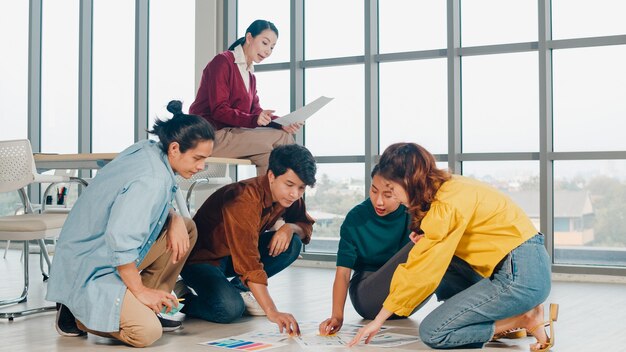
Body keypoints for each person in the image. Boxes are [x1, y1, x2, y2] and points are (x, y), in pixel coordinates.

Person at [349, 143, 557, 352]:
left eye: (392, 190)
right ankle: (512, 315)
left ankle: (522, 319)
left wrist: (378, 320)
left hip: (521, 278)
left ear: (407, 181)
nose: (393, 197)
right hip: (524, 265)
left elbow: (420, 270)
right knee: (443, 261)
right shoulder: (451, 186)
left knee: (433, 332)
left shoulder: (446, 205)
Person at [46, 101, 215, 348]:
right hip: (92, 267)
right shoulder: (153, 179)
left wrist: (174, 217)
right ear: (175, 148)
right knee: (146, 332)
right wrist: (140, 290)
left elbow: (130, 201)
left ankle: (148, 305)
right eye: (198, 158)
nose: (201, 166)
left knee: (186, 228)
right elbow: (120, 238)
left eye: (205, 159)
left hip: (93, 255)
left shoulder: (150, 150)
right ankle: (79, 313)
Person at [176, 144, 316, 335]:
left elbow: (305, 225)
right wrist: (271, 311)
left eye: (301, 188)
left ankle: (238, 290)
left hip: (232, 256)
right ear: (271, 175)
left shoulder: (289, 197)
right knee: (229, 309)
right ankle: (184, 296)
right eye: (289, 185)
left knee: (293, 244)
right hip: (201, 261)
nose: (295, 193)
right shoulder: (244, 198)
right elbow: (248, 261)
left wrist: (289, 227)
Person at [319, 165, 422, 336]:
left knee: (440, 243)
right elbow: (343, 273)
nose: (379, 201)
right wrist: (337, 316)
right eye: (374, 191)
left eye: (388, 195)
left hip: (406, 298)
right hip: (368, 295)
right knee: (427, 241)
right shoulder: (355, 218)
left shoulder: (413, 213)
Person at [189, 19, 301, 175]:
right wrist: (255, 120)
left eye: (272, 47)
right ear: (249, 38)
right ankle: (293, 191)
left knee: (272, 151)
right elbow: (219, 110)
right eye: (265, 43)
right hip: (208, 136)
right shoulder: (223, 62)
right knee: (283, 140)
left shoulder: (249, 75)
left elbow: (256, 112)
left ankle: (271, 198)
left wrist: (282, 123)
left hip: (230, 134)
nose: (268, 51)